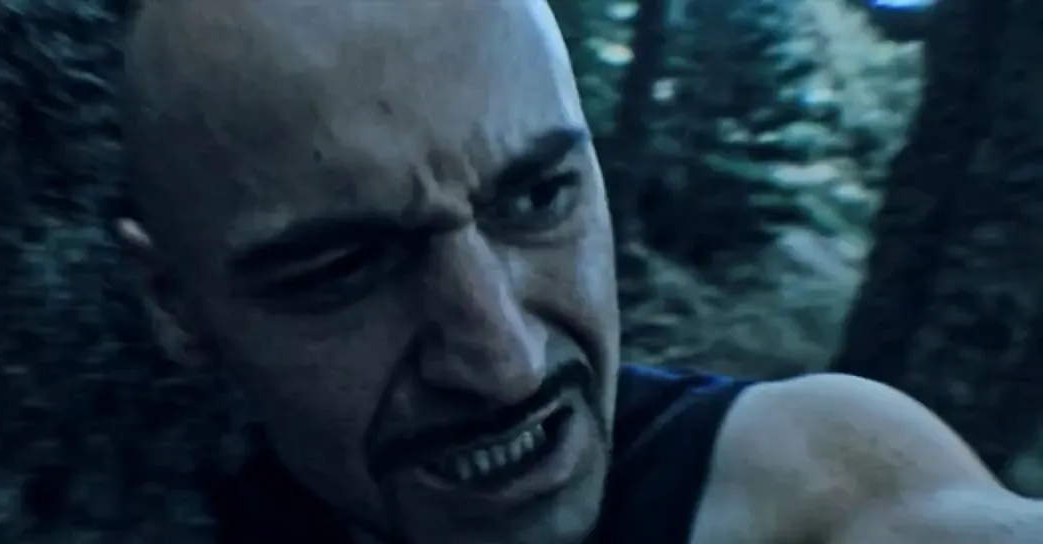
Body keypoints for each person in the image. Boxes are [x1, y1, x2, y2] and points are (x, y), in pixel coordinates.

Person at [114, 1, 1043, 543]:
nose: (505, 364)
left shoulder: (805, 481)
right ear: (175, 306)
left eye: (537, 198)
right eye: (343, 268)